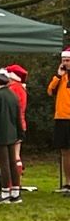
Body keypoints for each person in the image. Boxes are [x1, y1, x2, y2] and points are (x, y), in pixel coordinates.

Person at [0, 68, 24, 204]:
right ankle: (15, 192)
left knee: (3, 164)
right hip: (12, 134)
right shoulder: (13, 95)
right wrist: (20, 133)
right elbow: (18, 116)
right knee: (12, 163)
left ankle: (4, 193)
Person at [48, 49, 70, 192]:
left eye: (68, 60)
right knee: (65, 151)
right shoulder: (60, 77)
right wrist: (58, 76)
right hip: (62, 117)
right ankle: (68, 183)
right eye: (64, 61)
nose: (65, 63)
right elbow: (50, 91)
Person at [5, 65, 29, 188]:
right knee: (16, 155)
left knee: (12, 156)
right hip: (20, 124)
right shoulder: (21, 88)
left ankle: (12, 183)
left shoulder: (13, 89)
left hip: (13, 125)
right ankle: (16, 182)